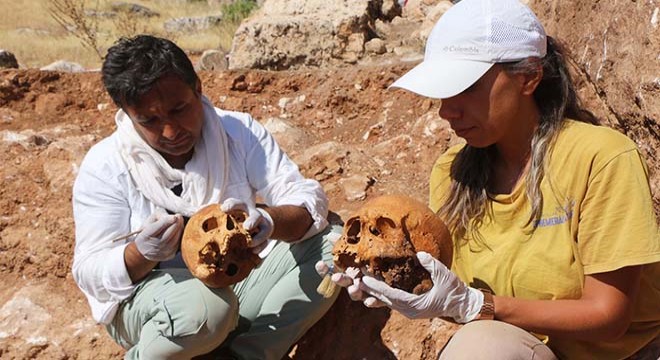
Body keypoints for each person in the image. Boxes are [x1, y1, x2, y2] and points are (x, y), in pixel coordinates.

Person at [321, 0, 660, 359]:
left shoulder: (600, 158)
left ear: (528, 77)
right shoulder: (451, 174)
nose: (446, 110)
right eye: (443, 91)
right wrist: (398, 283)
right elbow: (464, 302)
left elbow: (608, 315)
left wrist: (477, 305)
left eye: (466, 88)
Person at [72, 34, 340, 360]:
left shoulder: (238, 133)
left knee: (334, 247)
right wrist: (140, 254)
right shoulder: (106, 165)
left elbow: (305, 201)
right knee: (207, 309)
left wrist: (268, 219)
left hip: (235, 287)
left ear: (198, 87)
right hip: (149, 303)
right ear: (128, 115)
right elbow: (89, 270)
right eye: (150, 121)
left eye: (180, 109)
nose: (171, 131)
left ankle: (244, 354)